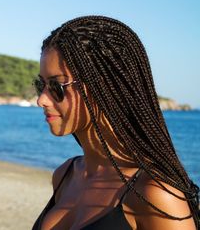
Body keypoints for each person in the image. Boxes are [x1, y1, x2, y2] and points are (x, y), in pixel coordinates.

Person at [31, 16, 199, 230]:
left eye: (57, 86)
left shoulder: (155, 194)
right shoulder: (66, 175)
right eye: (41, 85)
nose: (42, 99)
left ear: (105, 87)